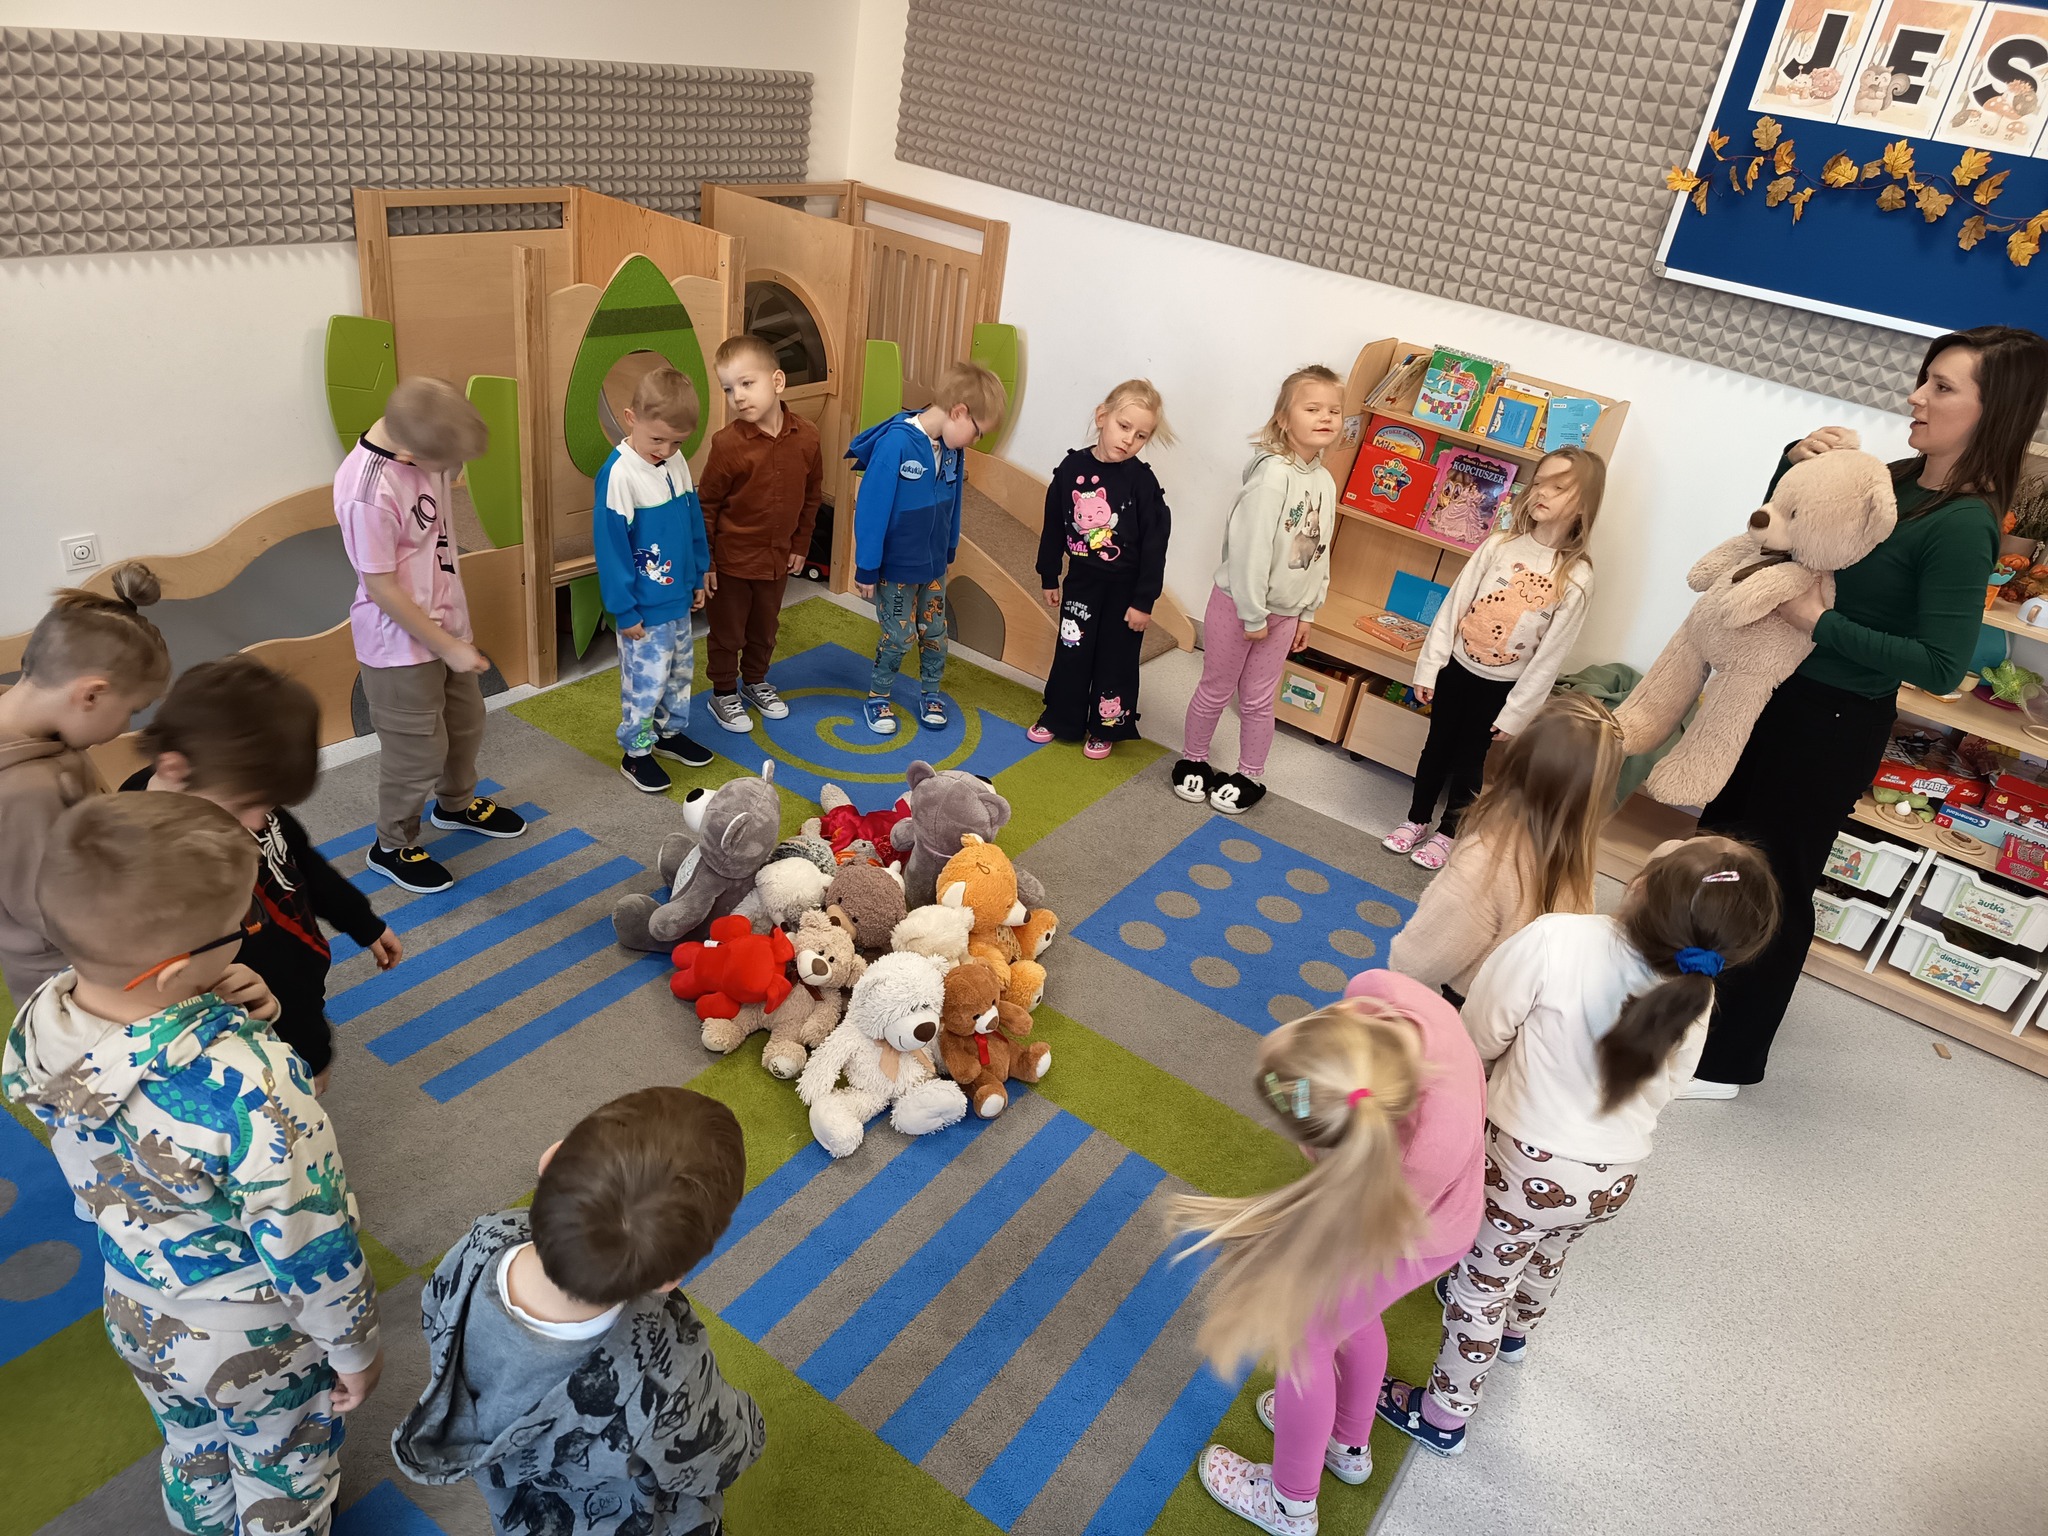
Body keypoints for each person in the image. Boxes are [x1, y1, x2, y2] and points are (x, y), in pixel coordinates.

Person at [2, 794, 382, 1536]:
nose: (252, 929)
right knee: (283, 1463)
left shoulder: (43, 1020)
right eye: (245, 922)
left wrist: (232, 1008)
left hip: (135, 1304)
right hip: (252, 1331)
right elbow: (310, 1236)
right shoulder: (257, 1079)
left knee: (192, 1445)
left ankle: (201, 1522)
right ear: (176, 969)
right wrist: (355, 1347)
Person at [1687, 324, 2048, 1097]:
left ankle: (1726, 1063)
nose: (1917, 396)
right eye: (1924, 378)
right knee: (1716, 855)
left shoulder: (1964, 522)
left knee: (1770, 886)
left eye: (1942, 387)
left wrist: (1818, 623)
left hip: (1831, 722)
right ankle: (1683, 1014)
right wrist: (1792, 462)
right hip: (1773, 694)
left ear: (1992, 410)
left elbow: (1941, 664)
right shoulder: (1896, 479)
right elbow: (1792, 537)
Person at [1376, 835, 1778, 1458]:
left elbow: (1478, 1034)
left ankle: (1442, 1416)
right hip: (1612, 1175)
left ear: (1641, 886)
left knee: (1480, 1286)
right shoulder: (1697, 988)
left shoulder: (1557, 938)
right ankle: (1516, 1334)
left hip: (1523, 1161)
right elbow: (1673, 1084)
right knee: (1549, 1250)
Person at [1183, 973, 1484, 1535]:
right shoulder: (1386, 995)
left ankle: (1290, 1503)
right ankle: (1347, 1445)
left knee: (1306, 1339)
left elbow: (1361, 1224)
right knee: (1355, 1316)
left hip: (1408, 1232)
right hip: (1441, 1216)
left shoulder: (1420, 1155)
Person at [392, 1085, 766, 1534]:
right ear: (668, 1281)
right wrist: (753, 1427)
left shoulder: (482, 1240)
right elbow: (723, 1455)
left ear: (550, 1159)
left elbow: (435, 1313)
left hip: (514, 1504)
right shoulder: (668, 1379)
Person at [121, 655, 402, 1093]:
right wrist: (313, 1056)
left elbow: (303, 862)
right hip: (256, 1002)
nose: (260, 822)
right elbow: (263, 980)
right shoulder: (153, 857)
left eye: (269, 805)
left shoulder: (233, 792)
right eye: (246, 806)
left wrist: (362, 922)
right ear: (174, 768)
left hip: (300, 960)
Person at [336, 376, 526, 890]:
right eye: (448, 465)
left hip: (448, 628)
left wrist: (454, 637)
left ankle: (456, 805)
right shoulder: (367, 492)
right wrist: (447, 647)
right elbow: (381, 588)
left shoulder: (424, 444)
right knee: (416, 752)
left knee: (465, 724)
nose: (453, 474)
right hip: (398, 647)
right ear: (410, 452)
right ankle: (391, 845)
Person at [1384, 446, 1606, 870]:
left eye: (1559, 487)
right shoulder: (1499, 546)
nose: (1542, 492)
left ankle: (1449, 833)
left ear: (1584, 504)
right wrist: (1430, 666)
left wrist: (1517, 712)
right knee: (1435, 748)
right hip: (1456, 669)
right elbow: (1453, 607)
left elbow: (1550, 657)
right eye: (1539, 482)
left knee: (1470, 761)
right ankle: (1416, 820)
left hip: (1500, 688)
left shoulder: (1577, 577)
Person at [1170, 365, 1343, 816]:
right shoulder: (1271, 477)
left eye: (1334, 410)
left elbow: (1320, 551)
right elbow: (1249, 551)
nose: (1326, 417)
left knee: (1259, 699)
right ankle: (1194, 759)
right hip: (1240, 606)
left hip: (1286, 613)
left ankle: (1249, 774)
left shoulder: (1324, 481)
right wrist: (1252, 614)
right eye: (1313, 408)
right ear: (1284, 419)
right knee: (1216, 688)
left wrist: (1308, 612)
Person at [0, 563, 170, 1003]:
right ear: (91, 694)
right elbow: (51, 913)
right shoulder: (25, 791)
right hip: (70, 978)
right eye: (132, 710)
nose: (128, 725)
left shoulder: (46, 737)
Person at [1387, 693, 1624, 1006]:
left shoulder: (1483, 861)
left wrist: (1391, 977)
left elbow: (1419, 960)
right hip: (1520, 1005)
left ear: (1514, 764)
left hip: (1468, 1004)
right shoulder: (1578, 865)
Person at [845, 361, 1009, 737]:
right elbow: (871, 510)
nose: (975, 441)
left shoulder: (952, 449)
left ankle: (930, 693)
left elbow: (954, 502)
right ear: (959, 412)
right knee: (898, 636)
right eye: (977, 432)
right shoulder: (896, 445)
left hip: (933, 565)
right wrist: (866, 566)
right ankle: (878, 696)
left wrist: (949, 547)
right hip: (896, 567)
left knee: (935, 632)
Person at [1029, 379, 1175, 755]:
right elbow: (1054, 524)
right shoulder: (1071, 468)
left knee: (1116, 660)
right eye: (1124, 426)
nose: (1129, 440)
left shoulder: (1142, 482)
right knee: (1072, 650)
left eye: (1141, 435)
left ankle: (1106, 725)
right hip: (1082, 583)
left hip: (1125, 590)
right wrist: (1049, 574)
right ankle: (1061, 716)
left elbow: (1155, 545)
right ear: (1102, 417)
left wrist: (1144, 601)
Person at [592, 366, 716, 793]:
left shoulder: (675, 463)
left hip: (678, 598)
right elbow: (611, 551)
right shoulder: (619, 475)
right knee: (645, 683)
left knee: (680, 674)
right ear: (631, 419)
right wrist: (623, 610)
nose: (665, 451)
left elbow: (692, 523)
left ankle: (669, 733)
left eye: (677, 442)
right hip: (642, 610)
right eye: (657, 440)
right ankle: (636, 752)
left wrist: (698, 574)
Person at [699, 333, 824, 736]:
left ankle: (755, 682)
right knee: (728, 633)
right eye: (728, 388)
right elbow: (706, 506)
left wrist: (801, 544)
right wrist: (706, 562)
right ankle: (723, 692)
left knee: (765, 629)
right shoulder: (727, 444)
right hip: (730, 562)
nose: (737, 396)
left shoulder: (808, 436)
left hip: (777, 559)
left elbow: (812, 495)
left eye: (746, 383)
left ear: (777, 381)